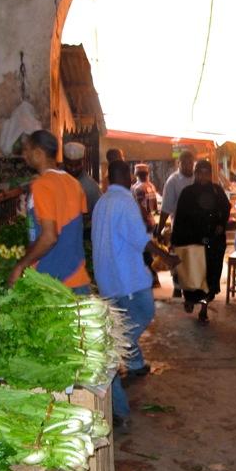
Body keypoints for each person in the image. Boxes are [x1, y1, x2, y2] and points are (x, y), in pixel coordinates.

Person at [92, 160, 179, 424]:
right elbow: (140, 240)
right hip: (127, 277)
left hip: (108, 277)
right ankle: (119, 354)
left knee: (124, 320)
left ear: (107, 178)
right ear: (128, 177)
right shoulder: (125, 201)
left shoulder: (102, 202)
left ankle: (135, 363)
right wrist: (167, 257)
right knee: (142, 313)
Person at [9, 130, 91, 293]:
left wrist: (20, 266)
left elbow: (49, 237)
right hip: (77, 277)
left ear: (38, 153)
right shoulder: (74, 183)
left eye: (27, 151)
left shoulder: (41, 185)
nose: (24, 156)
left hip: (54, 281)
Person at [171, 159, 231, 323]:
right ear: (196, 174)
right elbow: (180, 218)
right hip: (191, 242)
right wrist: (175, 241)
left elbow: (226, 208)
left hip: (213, 242)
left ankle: (204, 309)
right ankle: (189, 299)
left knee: (210, 277)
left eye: (206, 173)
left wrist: (221, 224)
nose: (203, 176)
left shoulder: (217, 191)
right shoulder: (187, 193)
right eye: (200, 172)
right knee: (191, 274)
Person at [155, 150, 196, 297]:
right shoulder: (173, 181)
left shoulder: (198, 178)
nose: (188, 166)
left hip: (197, 228)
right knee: (177, 260)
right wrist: (159, 229)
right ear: (179, 163)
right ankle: (178, 289)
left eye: (190, 163)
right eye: (185, 163)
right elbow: (166, 208)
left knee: (193, 261)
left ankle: (192, 292)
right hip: (179, 227)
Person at [63, 141, 102, 218]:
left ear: (83, 162)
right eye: (69, 165)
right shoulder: (56, 178)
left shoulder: (91, 187)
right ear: (64, 161)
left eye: (77, 165)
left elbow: (98, 214)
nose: (73, 169)